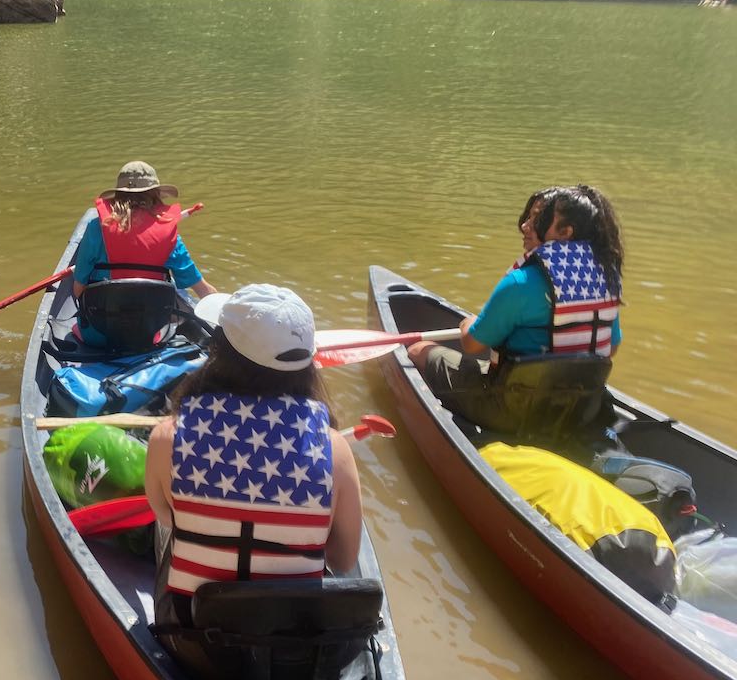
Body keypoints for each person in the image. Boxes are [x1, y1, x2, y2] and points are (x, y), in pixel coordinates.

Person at [143, 284, 363, 643]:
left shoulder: (168, 436)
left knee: (171, 523)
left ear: (219, 351)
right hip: (295, 641)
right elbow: (343, 558)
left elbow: (166, 518)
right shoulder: (336, 450)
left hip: (192, 635)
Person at [407, 184, 625, 433]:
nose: (525, 226)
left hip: (512, 410)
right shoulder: (605, 279)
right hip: (576, 410)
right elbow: (612, 347)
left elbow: (471, 344)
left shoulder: (520, 283)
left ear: (565, 232)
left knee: (418, 350)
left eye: (538, 219)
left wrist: (466, 324)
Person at [71, 161, 217, 348]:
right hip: (147, 335)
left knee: (76, 326)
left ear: (117, 196)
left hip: (98, 335)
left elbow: (77, 290)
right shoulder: (169, 234)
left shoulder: (95, 228)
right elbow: (204, 291)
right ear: (156, 195)